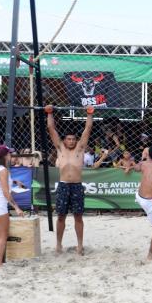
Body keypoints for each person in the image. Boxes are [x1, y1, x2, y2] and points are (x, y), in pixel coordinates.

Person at [45, 104, 93, 255]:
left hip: (77, 186)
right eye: (68, 139)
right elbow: (51, 129)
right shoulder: (60, 148)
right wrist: (49, 113)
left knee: (78, 216)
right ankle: (58, 244)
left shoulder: (80, 148)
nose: (71, 141)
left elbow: (87, 129)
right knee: (61, 216)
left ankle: (80, 245)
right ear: (64, 140)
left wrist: (89, 113)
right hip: (64, 185)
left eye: (73, 139)